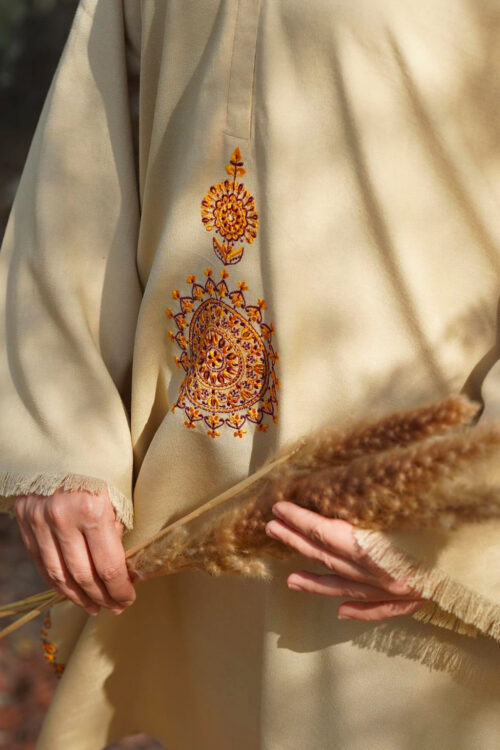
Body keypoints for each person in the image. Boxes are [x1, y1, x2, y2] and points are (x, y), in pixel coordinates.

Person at [1, 1, 500, 747]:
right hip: (188, 519)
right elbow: (80, 171)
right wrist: (65, 441)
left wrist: (474, 505)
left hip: (405, 537)